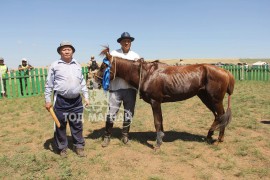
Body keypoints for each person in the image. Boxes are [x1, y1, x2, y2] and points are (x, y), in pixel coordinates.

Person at [44, 41, 89, 157]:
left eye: (69, 49)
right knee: (61, 125)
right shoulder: (55, 65)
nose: (67, 51)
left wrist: (86, 96)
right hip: (61, 100)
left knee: (77, 124)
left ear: (72, 51)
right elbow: (48, 84)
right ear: (60, 52)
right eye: (64, 49)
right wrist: (47, 100)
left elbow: (82, 82)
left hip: (76, 100)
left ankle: (79, 146)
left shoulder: (77, 65)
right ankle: (62, 148)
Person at [102, 32, 140, 147]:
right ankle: (107, 136)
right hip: (115, 88)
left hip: (130, 89)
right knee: (111, 113)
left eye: (128, 41)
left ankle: (125, 135)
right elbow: (105, 69)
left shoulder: (135, 56)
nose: (126, 43)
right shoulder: (113, 54)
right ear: (120, 42)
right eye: (124, 41)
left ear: (131, 42)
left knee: (129, 113)